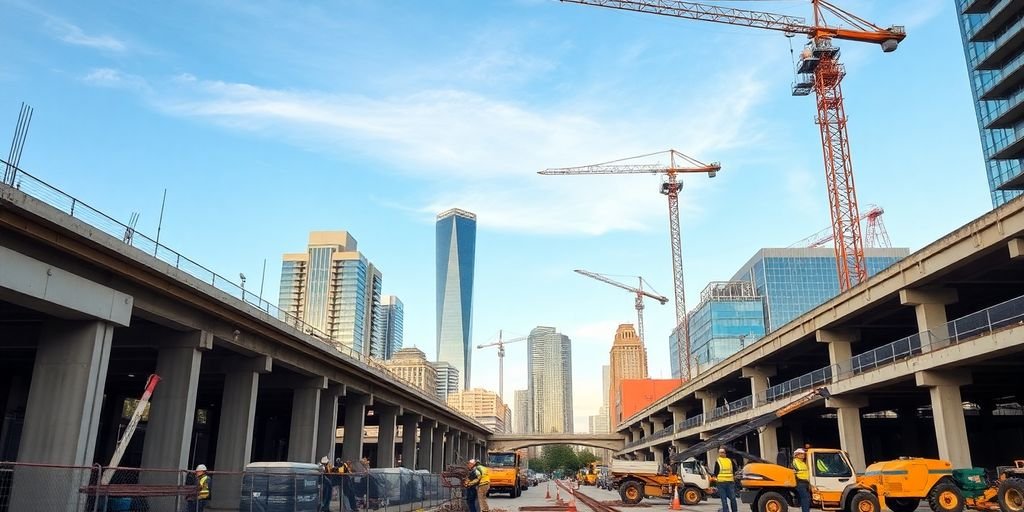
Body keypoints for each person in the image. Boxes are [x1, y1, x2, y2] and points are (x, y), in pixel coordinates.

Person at [713, 448, 738, 512]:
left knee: (723, 499)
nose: (720, 454)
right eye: (720, 452)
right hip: (730, 481)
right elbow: (735, 470)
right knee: (733, 498)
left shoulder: (718, 461)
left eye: (721, 452)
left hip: (721, 482)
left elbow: (716, 472)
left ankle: (726, 511)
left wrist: (715, 478)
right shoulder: (730, 461)